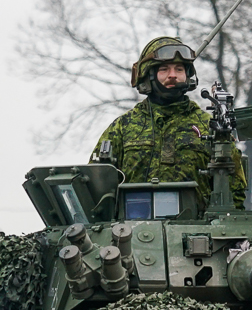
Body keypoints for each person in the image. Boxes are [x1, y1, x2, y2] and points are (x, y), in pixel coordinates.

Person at [91, 36, 215, 198]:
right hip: (132, 222)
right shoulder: (123, 126)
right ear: (149, 75)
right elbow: (96, 183)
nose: (172, 75)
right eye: (164, 69)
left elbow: (234, 187)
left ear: (188, 75)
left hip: (197, 222)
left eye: (179, 69)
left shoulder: (208, 125)